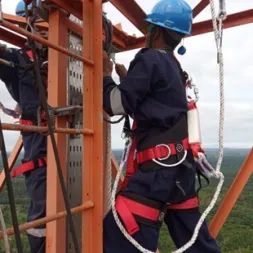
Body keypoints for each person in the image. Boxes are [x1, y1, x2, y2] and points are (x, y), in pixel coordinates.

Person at [102, 0, 221, 252]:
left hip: (157, 174)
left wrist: (104, 77)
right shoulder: (175, 68)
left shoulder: (149, 59)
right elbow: (157, 105)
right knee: (196, 243)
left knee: (118, 232)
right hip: (180, 171)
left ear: (155, 31)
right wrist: (129, 82)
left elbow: (114, 105)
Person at [0, 1, 48, 252]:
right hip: (39, 141)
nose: (40, 30)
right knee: (42, 208)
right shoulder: (16, 59)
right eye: (34, 23)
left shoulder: (61, 53)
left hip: (70, 139)